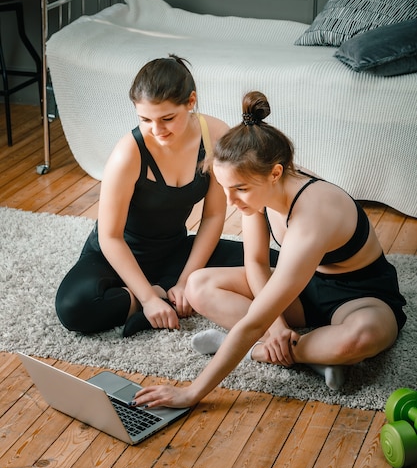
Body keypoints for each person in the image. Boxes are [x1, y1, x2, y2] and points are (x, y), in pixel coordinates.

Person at [129, 90, 407, 410]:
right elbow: (257, 264)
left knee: (358, 339)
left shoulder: (314, 214)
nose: (231, 203)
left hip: (361, 296)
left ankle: (261, 352)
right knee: (198, 286)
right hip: (306, 289)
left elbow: (253, 321)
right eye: (225, 188)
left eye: (240, 190)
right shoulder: (256, 190)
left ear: (275, 173)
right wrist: (278, 327)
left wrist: (191, 392)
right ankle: (310, 355)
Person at [55, 55, 247, 337]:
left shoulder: (216, 136)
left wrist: (184, 282)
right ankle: (156, 294)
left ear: (190, 102)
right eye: (145, 119)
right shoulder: (127, 154)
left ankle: (167, 288)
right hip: (118, 258)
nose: (157, 131)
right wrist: (147, 299)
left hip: (174, 252)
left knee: (274, 263)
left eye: (168, 118)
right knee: (75, 307)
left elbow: (214, 216)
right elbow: (110, 237)